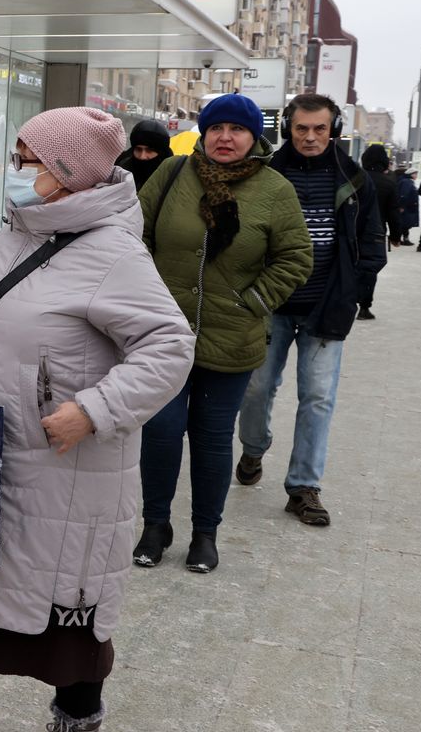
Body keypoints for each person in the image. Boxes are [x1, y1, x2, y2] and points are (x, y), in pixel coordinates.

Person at [0, 107, 194, 732]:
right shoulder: (15, 235)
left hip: (65, 472)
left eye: (28, 157)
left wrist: (96, 407)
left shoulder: (113, 251)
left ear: (67, 171)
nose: (17, 168)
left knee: (67, 621)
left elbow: (170, 345)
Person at [134, 93, 312, 573]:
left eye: (236, 129)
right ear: (204, 133)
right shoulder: (172, 176)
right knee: (162, 432)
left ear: (254, 137)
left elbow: (296, 257)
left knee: (213, 440)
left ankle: (205, 533)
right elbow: (134, 234)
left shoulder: (275, 190)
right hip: (164, 334)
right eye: (216, 128)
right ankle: (155, 525)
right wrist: (143, 295)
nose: (225, 137)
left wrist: (252, 301)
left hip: (232, 337)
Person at [236, 94, 387, 526]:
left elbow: (372, 241)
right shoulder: (265, 175)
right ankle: (252, 448)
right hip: (269, 305)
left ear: (334, 129)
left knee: (318, 397)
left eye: (320, 128)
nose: (310, 137)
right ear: (288, 129)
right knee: (257, 388)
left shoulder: (354, 178)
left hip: (327, 307)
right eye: (301, 128)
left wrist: (351, 292)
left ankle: (304, 486)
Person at [357, 144, 397, 320]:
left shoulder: (355, 178)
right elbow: (393, 212)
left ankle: (346, 297)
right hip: (376, 233)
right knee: (370, 270)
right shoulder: (388, 183)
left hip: (352, 229)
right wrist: (396, 236)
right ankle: (364, 306)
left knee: (348, 264)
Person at [115, 118, 172, 191]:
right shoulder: (119, 172)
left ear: (161, 152)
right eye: (138, 149)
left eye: (149, 150)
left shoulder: (172, 176)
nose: (142, 156)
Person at [396, 166, 419, 246]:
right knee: (405, 224)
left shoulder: (407, 181)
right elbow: (403, 195)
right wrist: (401, 206)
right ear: (411, 174)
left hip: (408, 207)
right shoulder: (407, 182)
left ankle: (400, 238)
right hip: (406, 207)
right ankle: (402, 239)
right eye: (415, 174)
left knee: (405, 223)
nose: (416, 176)